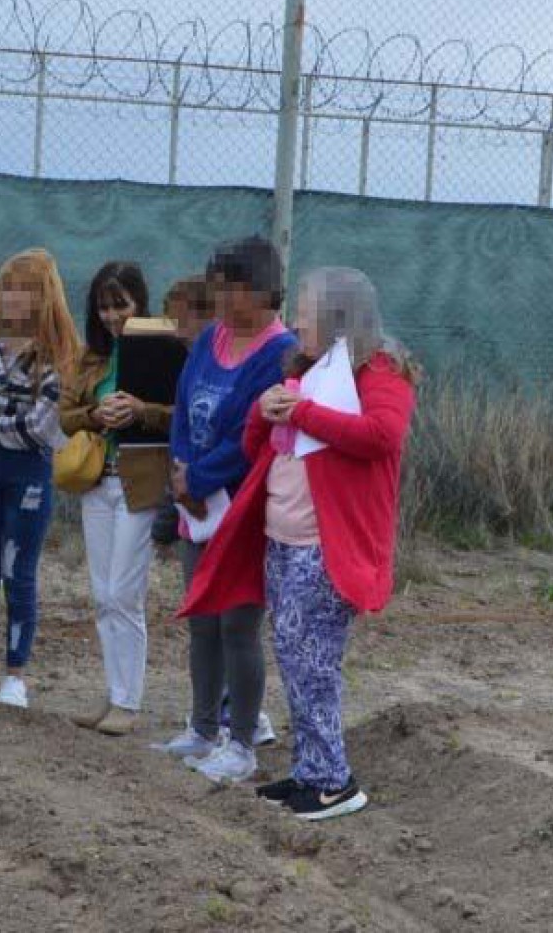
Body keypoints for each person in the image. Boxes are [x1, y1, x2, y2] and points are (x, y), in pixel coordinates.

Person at [182, 267, 418, 822]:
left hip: (327, 545)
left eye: (306, 316)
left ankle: (335, 782)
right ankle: (311, 771)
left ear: (339, 320)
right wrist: (263, 415)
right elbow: (258, 444)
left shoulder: (381, 374)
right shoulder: (306, 370)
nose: (295, 325)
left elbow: (381, 437)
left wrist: (302, 411)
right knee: (292, 654)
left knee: (314, 661)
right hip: (283, 537)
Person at [159, 237, 297, 786]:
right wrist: (180, 474)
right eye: (217, 284)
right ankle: (201, 728)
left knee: (238, 625)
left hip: (241, 509)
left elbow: (252, 436)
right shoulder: (210, 339)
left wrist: (202, 478)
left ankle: (242, 742)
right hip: (195, 503)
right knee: (201, 620)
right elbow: (182, 407)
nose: (220, 296)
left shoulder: (278, 353)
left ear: (263, 292)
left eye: (232, 287)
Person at [0, 249, 79, 708]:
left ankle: (16, 675)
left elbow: (43, 428)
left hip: (28, 475)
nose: (13, 298)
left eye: (25, 289)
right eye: (8, 287)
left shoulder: (59, 358)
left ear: (44, 297)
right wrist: (11, 412)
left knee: (18, 573)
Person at [58, 260, 168, 736]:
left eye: (119, 305)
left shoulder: (164, 349)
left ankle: (129, 699)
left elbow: (179, 412)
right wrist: (95, 413)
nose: (111, 316)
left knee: (125, 592)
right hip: (96, 483)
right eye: (103, 307)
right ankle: (115, 690)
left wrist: (140, 410)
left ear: (140, 303)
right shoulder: (91, 358)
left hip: (139, 483)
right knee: (104, 595)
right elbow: (64, 417)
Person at [150, 277, 213, 553]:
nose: (176, 332)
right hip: (184, 490)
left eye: (181, 320)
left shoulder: (214, 362)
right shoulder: (189, 359)